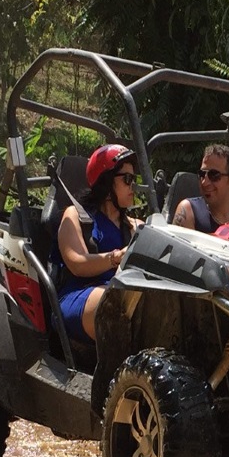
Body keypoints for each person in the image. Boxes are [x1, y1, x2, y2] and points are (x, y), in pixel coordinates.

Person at [54, 144, 141, 342]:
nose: (132, 186)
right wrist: (116, 257)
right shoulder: (76, 216)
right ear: (106, 182)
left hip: (122, 293)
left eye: (134, 180)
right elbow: (78, 264)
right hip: (80, 294)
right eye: (127, 179)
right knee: (116, 305)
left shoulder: (134, 225)